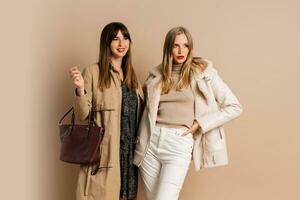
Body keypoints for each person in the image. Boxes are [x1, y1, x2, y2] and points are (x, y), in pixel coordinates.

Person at [133, 26, 243, 200]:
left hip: (178, 142)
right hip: (150, 144)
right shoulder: (155, 76)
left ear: (191, 48)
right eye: (176, 45)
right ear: (168, 48)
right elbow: (142, 110)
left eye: (185, 45)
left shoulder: (203, 74)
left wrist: (201, 124)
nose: (181, 50)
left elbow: (234, 106)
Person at [69, 22, 143, 200]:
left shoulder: (132, 76)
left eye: (125, 38)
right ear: (106, 43)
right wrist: (80, 89)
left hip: (129, 157)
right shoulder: (93, 72)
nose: (121, 43)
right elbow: (82, 114)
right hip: (105, 155)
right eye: (115, 38)